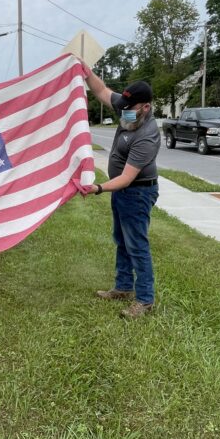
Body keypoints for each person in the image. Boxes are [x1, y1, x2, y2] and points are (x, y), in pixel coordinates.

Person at [80, 68, 162, 318]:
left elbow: (127, 178)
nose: (123, 109)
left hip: (137, 193)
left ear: (145, 107)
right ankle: (123, 287)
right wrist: (85, 70)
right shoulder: (128, 108)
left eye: (130, 106)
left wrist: (99, 188)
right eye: (123, 104)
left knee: (137, 245)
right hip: (123, 193)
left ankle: (145, 300)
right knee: (122, 241)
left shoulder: (147, 135)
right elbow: (102, 90)